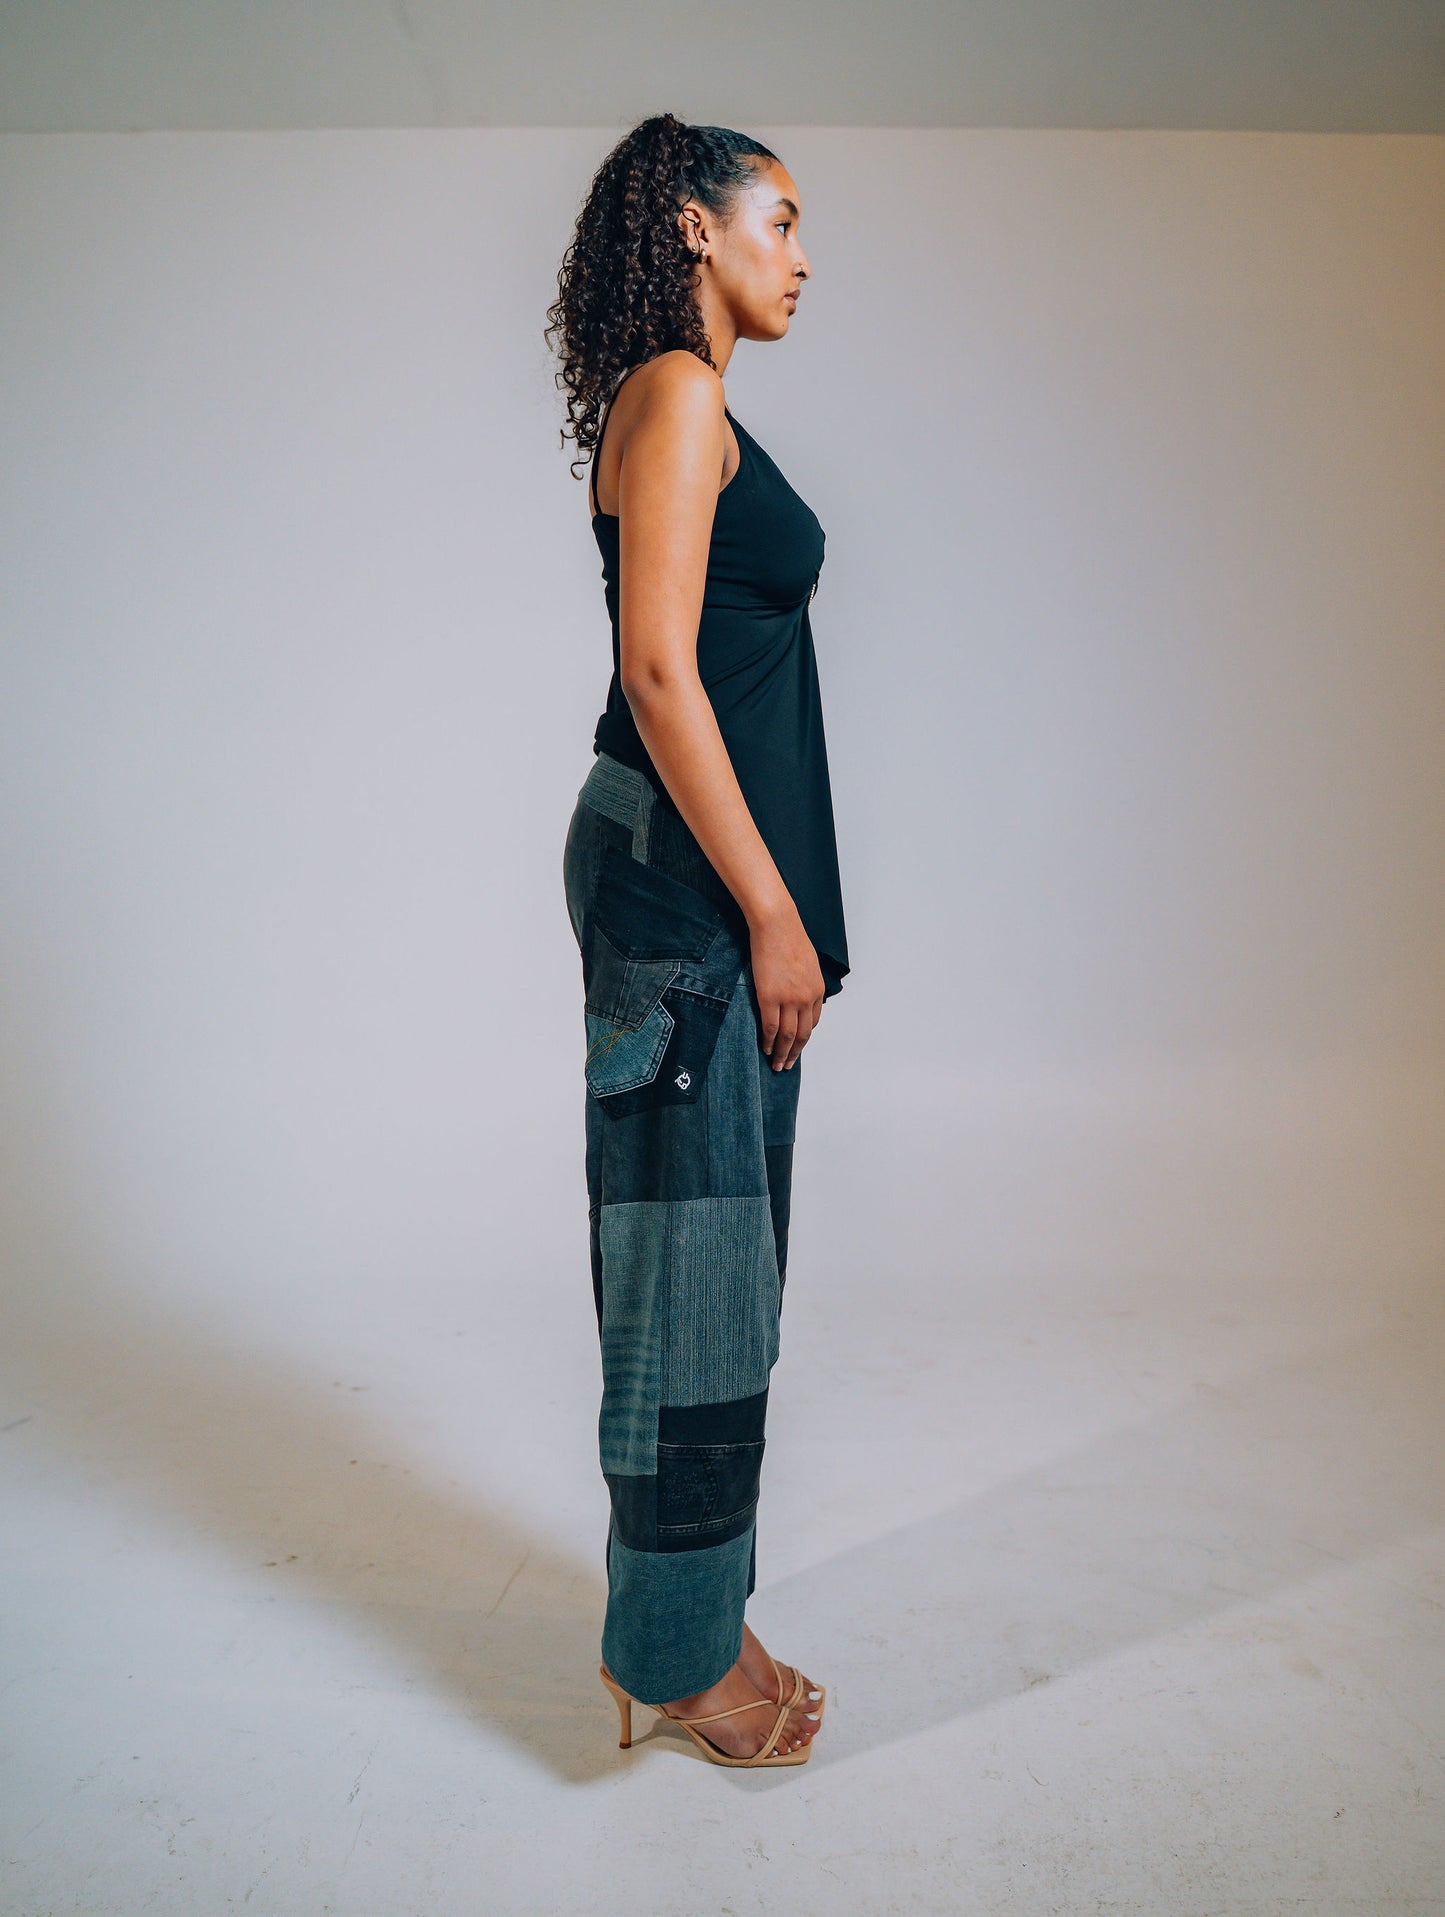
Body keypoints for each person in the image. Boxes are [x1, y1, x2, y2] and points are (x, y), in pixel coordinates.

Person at [546, 113, 850, 1769]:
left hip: (696, 884)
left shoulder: (691, 402)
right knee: (690, 1282)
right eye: (780, 221)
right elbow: (658, 674)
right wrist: (773, 910)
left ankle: (695, 1617)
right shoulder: (677, 394)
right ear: (691, 227)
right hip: (688, 887)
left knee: (725, 1275)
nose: (801, 257)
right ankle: (670, 1660)